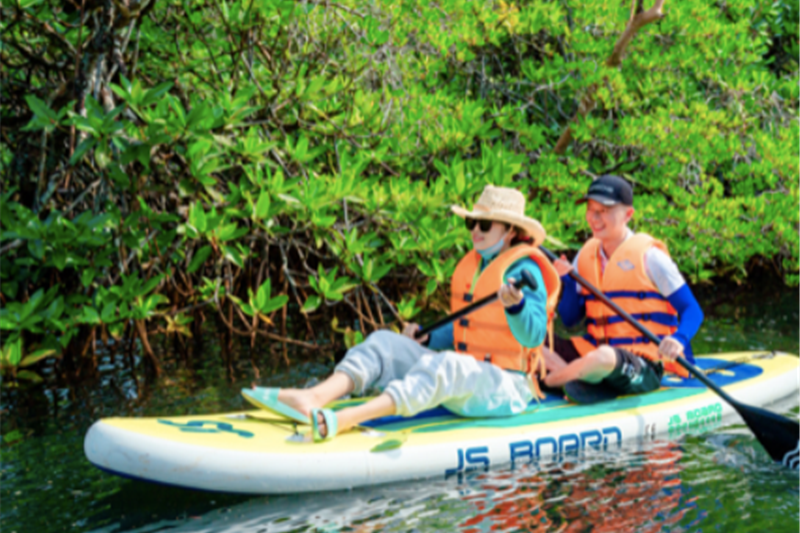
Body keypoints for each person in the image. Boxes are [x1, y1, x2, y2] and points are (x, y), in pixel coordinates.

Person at [243, 185, 561, 442]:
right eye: (471, 223)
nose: (475, 230)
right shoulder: (476, 266)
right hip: (472, 376)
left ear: (510, 231)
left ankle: (349, 419)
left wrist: (516, 305)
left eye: (484, 224)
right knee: (385, 342)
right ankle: (315, 396)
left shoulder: (525, 269)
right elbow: (467, 329)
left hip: (508, 388)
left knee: (447, 365)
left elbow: (532, 335)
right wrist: (429, 336)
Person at [543, 174, 705, 397]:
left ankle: (554, 378)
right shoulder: (585, 255)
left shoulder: (651, 257)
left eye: (605, 210)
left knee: (605, 357)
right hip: (592, 352)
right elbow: (570, 319)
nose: (595, 218)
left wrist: (679, 339)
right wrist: (568, 281)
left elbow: (692, 310)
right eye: (591, 209)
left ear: (628, 214)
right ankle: (578, 376)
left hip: (643, 362)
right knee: (529, 341)